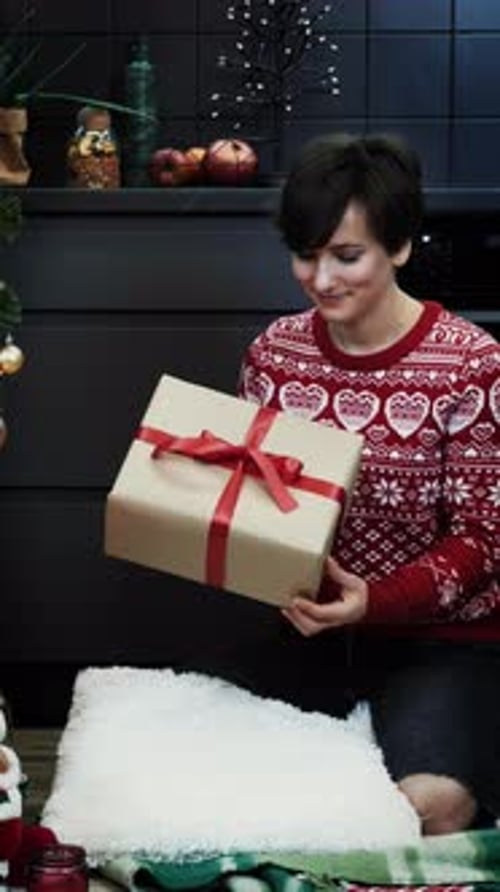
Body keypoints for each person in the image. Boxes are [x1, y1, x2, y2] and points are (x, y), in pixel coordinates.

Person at [235, 132, 500, 835]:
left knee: (428, 807)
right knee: (226, 786)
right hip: (307, 627)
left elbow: (482, 540)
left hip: (444, 638)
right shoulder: (274, 355)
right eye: (305, 255)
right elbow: (254, 501)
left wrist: (371, 601)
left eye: (346, 256)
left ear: (401, 247)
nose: (321, 280)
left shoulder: (472, 364)